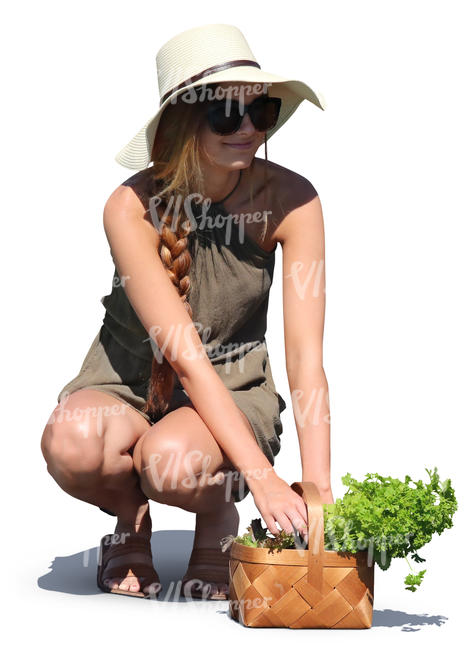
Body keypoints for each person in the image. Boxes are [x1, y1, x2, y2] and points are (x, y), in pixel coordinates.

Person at [40, 23, 334, 601]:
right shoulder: (130, 207)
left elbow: (305, 359)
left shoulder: (293, 201)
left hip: (233, 380)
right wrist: (265, 481)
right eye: (226, 113)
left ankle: (216, 525)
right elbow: (184, 357)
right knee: (71, 442)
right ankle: (130, 521)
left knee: (171, 462)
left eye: (262, 110)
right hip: (128, 379)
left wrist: (317, 489)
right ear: (180, 122)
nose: (248, 128)